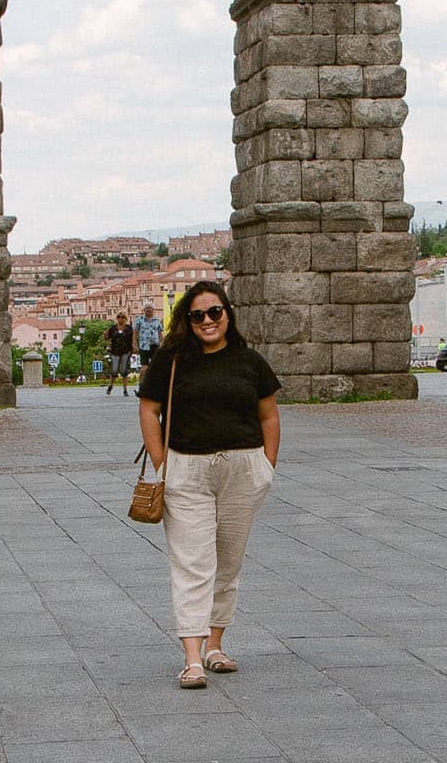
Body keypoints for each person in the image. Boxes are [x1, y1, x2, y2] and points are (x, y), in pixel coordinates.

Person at [137, 280, 280, 690]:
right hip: (188, 471)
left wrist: (267, 465)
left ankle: (216, 646)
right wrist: (164, 464)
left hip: (243, 471)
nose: (207, 321)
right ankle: (192, 658)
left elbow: (269, 415)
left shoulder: (250, 361)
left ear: (227, 314)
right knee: (192, 563)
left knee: (228, 562)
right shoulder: (172, 360)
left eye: (214, 312)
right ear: (187, 320)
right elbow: (149, 410)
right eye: (197, 315)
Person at [105, 312, 134, 395]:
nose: (121, 319)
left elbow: (133, 338)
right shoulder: (113, 328)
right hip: (115, 351)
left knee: (124, 370)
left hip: (126, 351)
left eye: (122, 317)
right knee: (114, 370)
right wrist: (105, 335)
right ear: (117, 318)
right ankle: (111, 386)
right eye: (119, 317)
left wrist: (134, 347)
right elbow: (107, 338)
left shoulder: (129, 328)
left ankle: (125, 390)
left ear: (125, 318)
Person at [134, 303, 162, 369]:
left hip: (155, 345)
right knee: (144, 366)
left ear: (153, 310)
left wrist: (162, 344)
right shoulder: (139, 320)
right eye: (147, 308)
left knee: (155, 365)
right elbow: (135, 333)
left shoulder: (157, 320)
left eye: (150, 308)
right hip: (143, 346)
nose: (149, 309)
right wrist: (134, 344)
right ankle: (142, 379)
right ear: (144, 310)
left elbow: (160, 333)